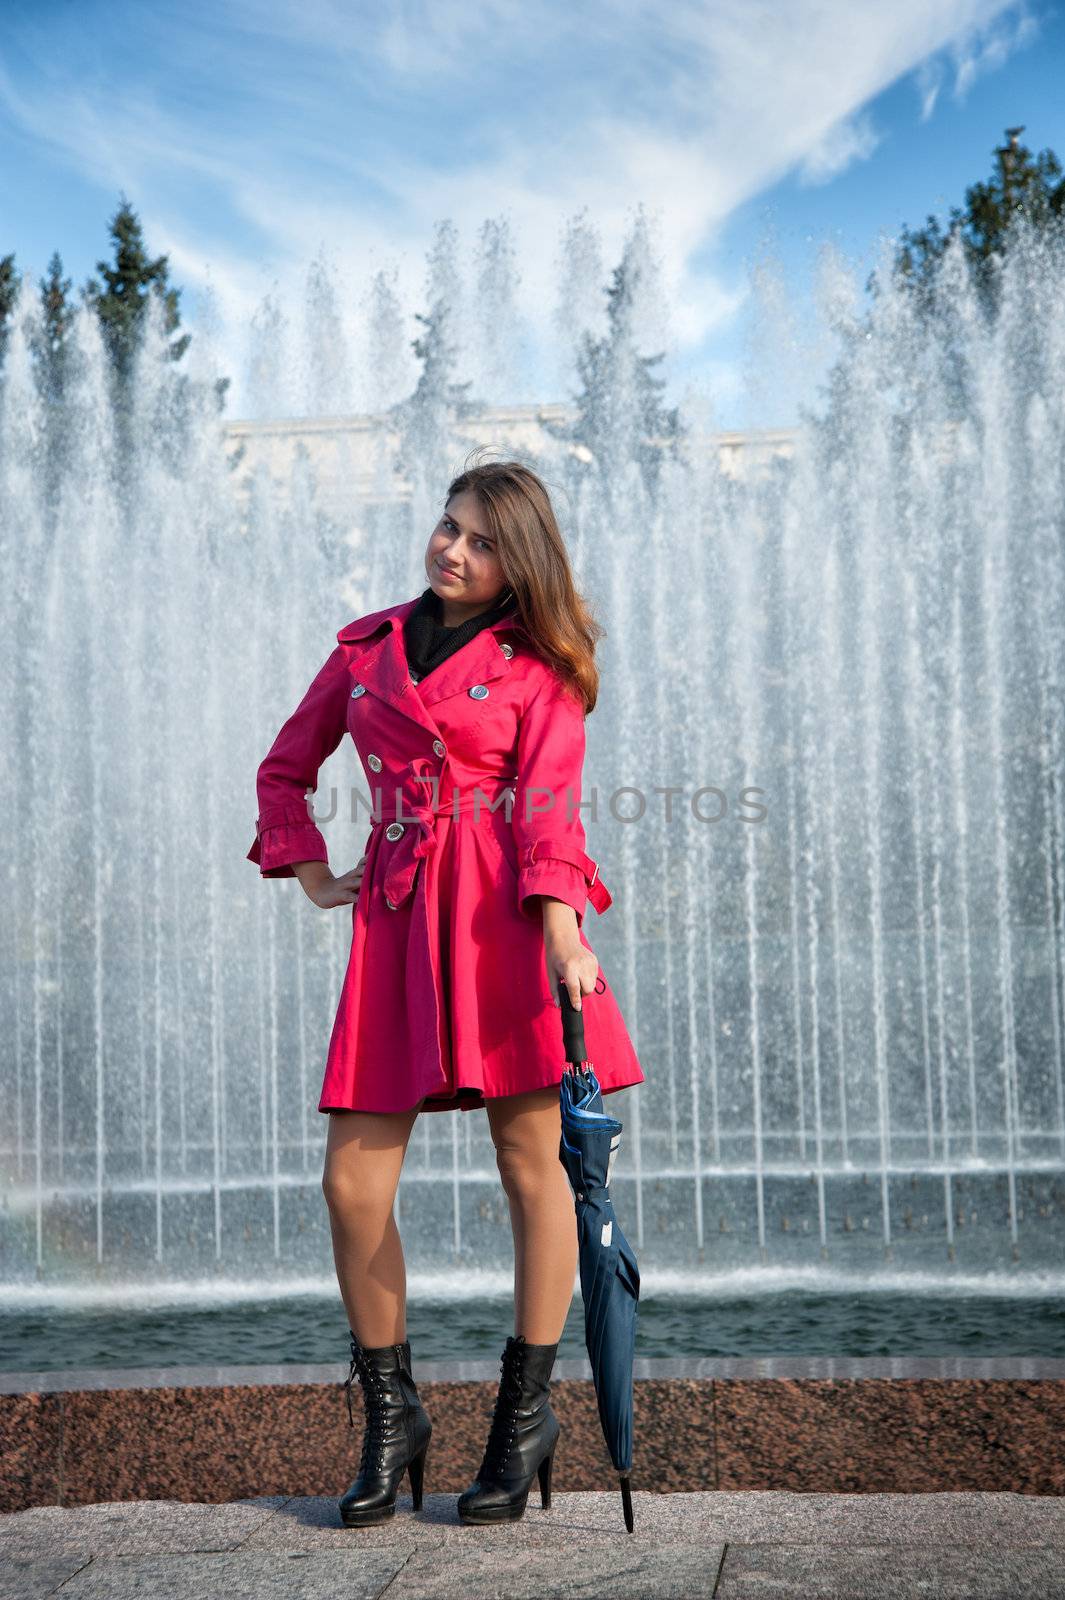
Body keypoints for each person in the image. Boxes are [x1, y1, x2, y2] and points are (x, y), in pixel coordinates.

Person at [247, 456, 644, 1528]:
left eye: (477, 539)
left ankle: (525, 1416)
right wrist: (312, 868)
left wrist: (564, 931)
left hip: (505, 922)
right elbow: (285, 766)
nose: (450, 549)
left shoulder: (537, 665)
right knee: (351, 1183)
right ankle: (392, 1416)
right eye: (446, 526)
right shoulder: (364, 649)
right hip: (395, 920)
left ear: (518, 562)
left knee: (533, 1166)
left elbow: (551, 807)